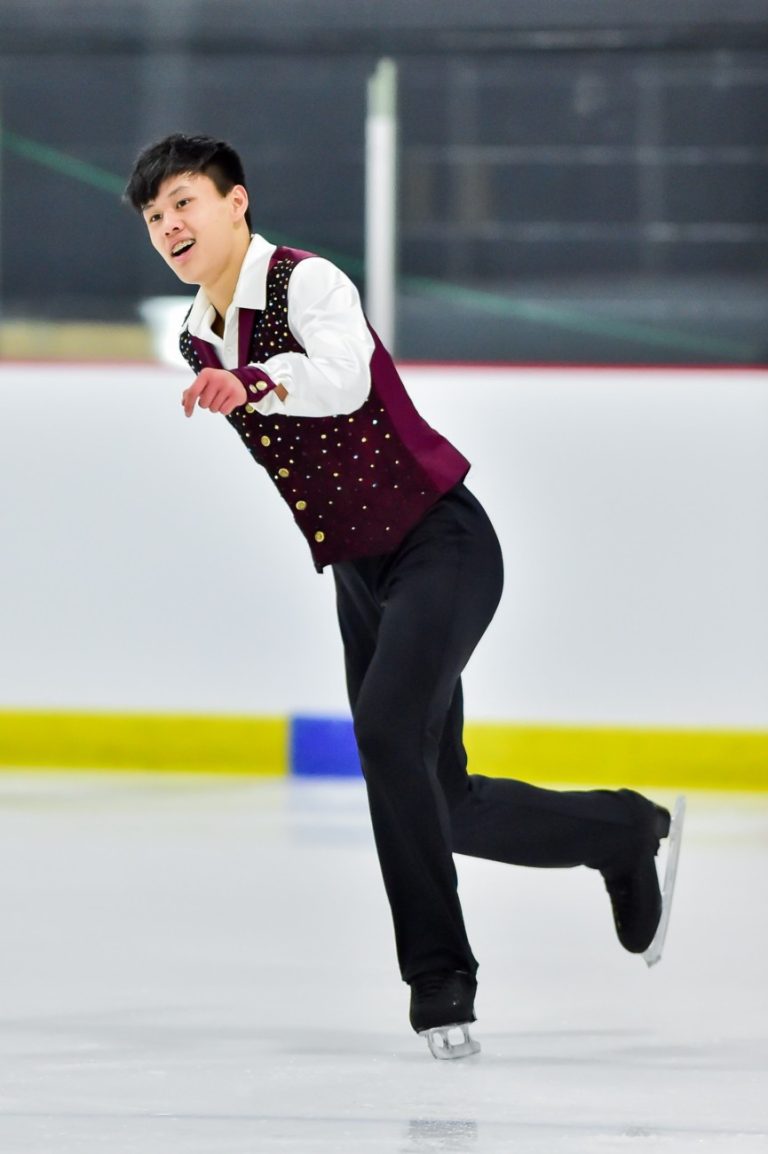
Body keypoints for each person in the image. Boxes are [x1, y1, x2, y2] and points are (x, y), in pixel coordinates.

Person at [124, 134, 684, 1060]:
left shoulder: (307, 282)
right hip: (361, 572)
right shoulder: (197, 335)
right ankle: (623, 830)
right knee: (440, 801)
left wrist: (253, 381)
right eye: (154, 217)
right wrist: (233, 374)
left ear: (236, 202)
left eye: (184, 202)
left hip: (442, 543)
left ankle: (439, 976)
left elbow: (343, 377)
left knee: (387, 734)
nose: (169, 226)